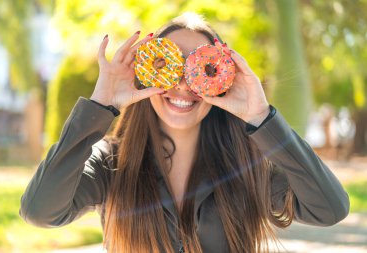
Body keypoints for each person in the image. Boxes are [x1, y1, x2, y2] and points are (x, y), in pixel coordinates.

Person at [20, 13, 349, 253]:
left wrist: (262, 118)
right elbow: (40, 211)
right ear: (147, 75)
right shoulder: (110, 162)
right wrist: (100, 106)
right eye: (167, 66)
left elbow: (330, 208)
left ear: (222, 81)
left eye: (201, 69)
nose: (182, 85)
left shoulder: (248, 164)